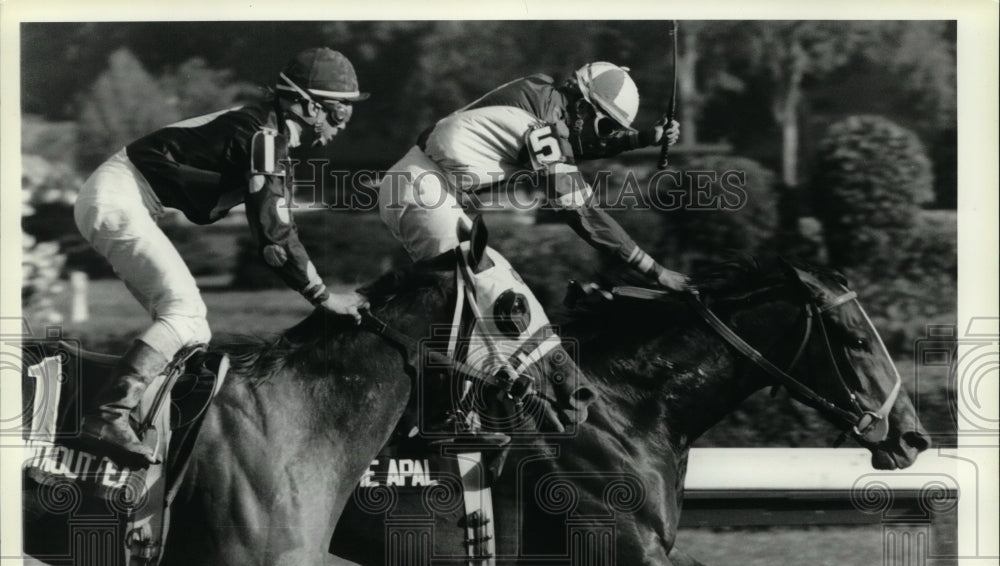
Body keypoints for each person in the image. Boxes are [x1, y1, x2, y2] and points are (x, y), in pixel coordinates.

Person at [73, 47, 370, 466]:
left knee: (192, 333)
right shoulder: (265, 139)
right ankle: (106, 416)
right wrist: (324, 297)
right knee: (185, 313)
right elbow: (275, 236)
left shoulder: (267, 134)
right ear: (306, 104)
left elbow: (273, 225)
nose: (345, 122)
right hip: (117, 197)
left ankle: (129, 426)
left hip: (118, 196)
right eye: (340, 111)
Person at [378, 61, 687, 288]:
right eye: (606, 127)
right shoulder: (543, 129)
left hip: (422, 187)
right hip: (423, 191)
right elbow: (584, 214)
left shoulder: (543, 95)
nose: (605, 136)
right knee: (474, 297)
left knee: (495, 289)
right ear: (581, 106)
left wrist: (644, 138)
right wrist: (656, 271)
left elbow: (576, 143)